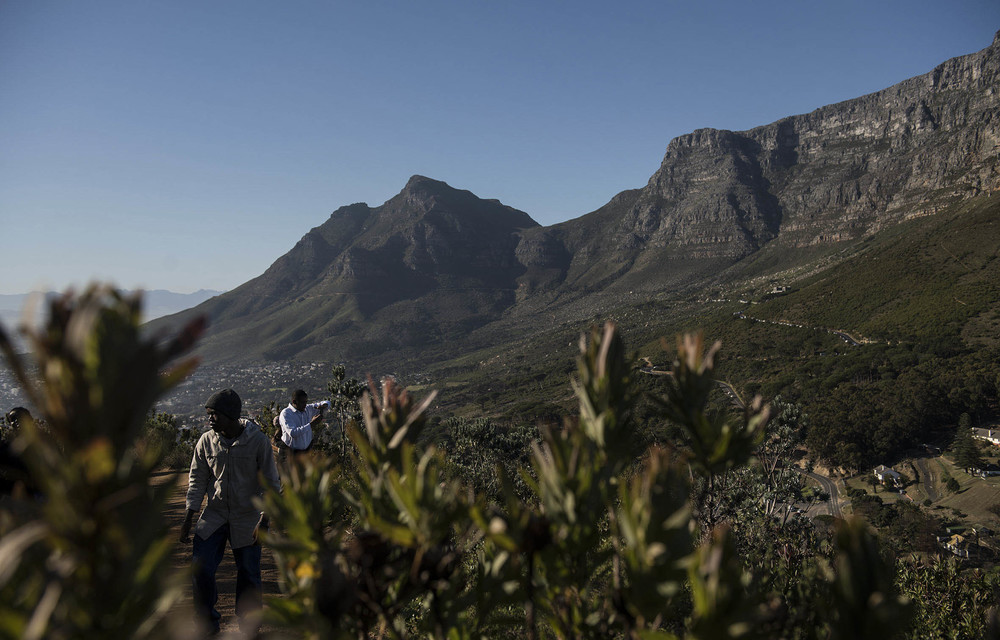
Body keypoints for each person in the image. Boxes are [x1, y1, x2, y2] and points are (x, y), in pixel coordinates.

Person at [180, 389, 280, 637]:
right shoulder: (206, 441)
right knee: (200, 569)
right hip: (213, 515)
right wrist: (189, 517)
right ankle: (207, 625)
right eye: (209, 414)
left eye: (215, 414)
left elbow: (270, 483)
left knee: (248, 574)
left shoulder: (257, 441)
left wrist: (265, 520)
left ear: (231, 415)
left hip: (247, 517)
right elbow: (197, 479)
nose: (210, 419)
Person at [278, 389, 331, 454]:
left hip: (306, 452)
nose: (305, 405)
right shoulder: (286, 413)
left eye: (306, 402)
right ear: (294, 402)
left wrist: (323, 405)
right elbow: (293, 433)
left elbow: (328, 403)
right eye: (302, 402)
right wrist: (312, 424)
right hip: (290, 453)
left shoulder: (307, 409)